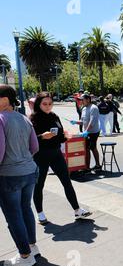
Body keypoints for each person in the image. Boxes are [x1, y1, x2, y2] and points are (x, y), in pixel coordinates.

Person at [30, 92, 92, 225]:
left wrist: (66, 136)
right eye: (44, 104)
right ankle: (40, 213)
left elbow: (59, 135)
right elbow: (29, 140)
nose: (48, 107)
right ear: (38, 104)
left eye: (50, 104)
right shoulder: (33, 118)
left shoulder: (54, 116)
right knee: (39, 184)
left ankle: (77, 210)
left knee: (66, 181)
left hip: (56, 153)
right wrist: (41, 137)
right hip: (41, 155)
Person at [0, 85, 40, 266]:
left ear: (5, 99)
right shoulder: (24, 118)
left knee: (13, 215)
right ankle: (32, 246)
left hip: (9, 175)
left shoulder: (1, 119)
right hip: (29, 171)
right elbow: (35, 147)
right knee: (25, 209)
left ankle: (25, 256)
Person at [71, 94, 102, 171]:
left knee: (92, 147)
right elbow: (83, 121)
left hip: (93, 132)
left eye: (82, 99)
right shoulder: (84, 108)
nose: (81, 101)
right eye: (80, 100)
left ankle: (96, 165)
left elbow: (92, 122)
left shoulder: (93, 108)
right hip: (87, 132)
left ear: (88, 99)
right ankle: (87, 166)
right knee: (87, 149)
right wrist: (75, 122)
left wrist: (86, 131)